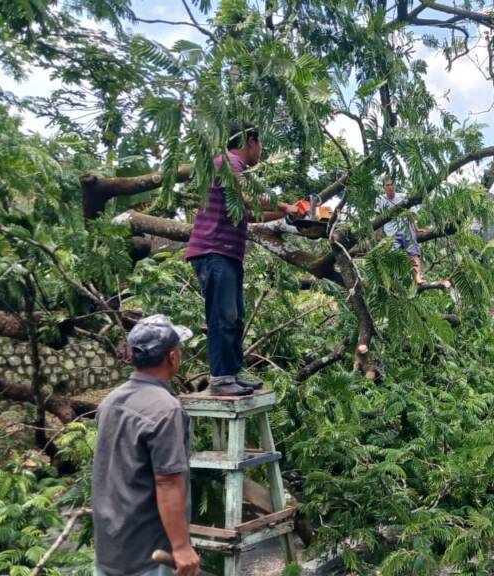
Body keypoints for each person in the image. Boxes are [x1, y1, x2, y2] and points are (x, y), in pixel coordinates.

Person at [186, 122, 301, 396]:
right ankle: (222, 380)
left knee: (235, 316)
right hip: (214, 252)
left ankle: (232, 373)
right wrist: (285, 205)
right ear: (250, 142)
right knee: (222, 316)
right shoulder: (226, 163)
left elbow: (248, 214)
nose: (261, 151)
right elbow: (247, 199)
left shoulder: (232, 168)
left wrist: (287, 215)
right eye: (260, 145)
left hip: (227, 254)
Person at [92, 315, 200, 576]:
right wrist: (182, 546)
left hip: (110, 549)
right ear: (173, 357)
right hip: (149, 556)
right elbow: (167, 481)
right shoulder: (165, 409)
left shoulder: (110, 402)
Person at [376, 176, 428, 285]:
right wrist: (376, 235)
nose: (390, 187)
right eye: (387, 185)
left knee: (413, 253)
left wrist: (416, 228)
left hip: (406, 229)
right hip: (391, 234)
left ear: (395, 186)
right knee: (392, 256)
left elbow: (410, 215)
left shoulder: (403, 197)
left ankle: (418, 277)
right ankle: (391, 282)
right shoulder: (380, 200)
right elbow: (377, 220)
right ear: (384, 187)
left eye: (392, 185)